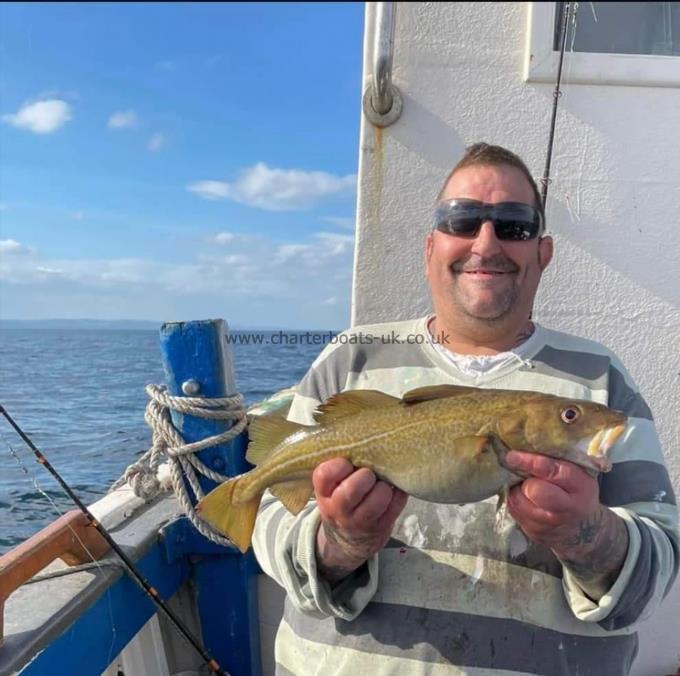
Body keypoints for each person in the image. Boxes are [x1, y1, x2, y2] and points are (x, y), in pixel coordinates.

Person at [252, 143, 679, 675]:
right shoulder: (350, 355)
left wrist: (586, 536)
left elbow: (659, 568)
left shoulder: (601, 379)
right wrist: (337, 543)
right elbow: (269, 518)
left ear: (542, 253)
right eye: (462, 220)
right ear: (431, 247)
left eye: (514, 226)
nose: (485, 242)